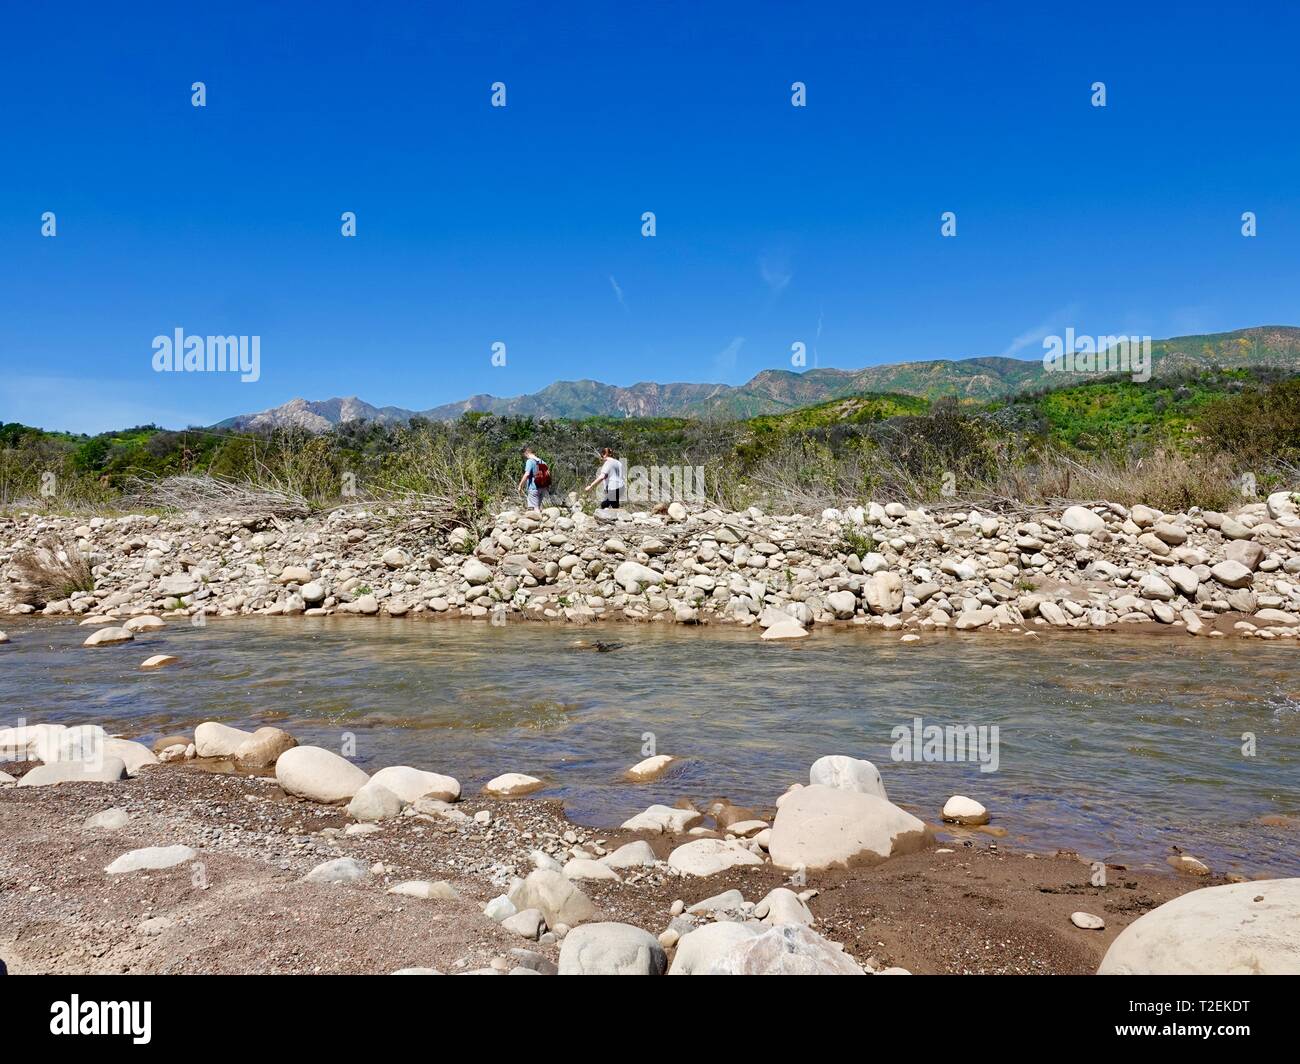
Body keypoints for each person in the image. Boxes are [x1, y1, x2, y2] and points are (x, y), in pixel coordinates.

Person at [518, 446, 550, 511]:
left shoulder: (530, 461)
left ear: (527, 453)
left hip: (533, 487)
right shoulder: (543, 462)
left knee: (535, 508)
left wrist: (520, 485)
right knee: (538, 506)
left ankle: (539, 520)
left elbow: (527, 474)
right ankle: (540, 519)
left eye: (525, 455)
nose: (525, 456)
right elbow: (548, 474)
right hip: (542, 487)